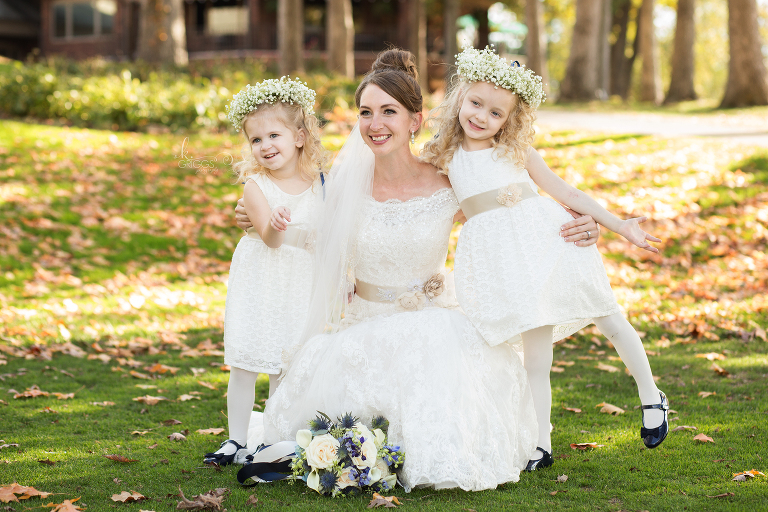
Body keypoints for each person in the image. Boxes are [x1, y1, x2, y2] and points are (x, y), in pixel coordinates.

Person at [420, 47, 669, 472]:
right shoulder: (444, 155)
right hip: (500, 258)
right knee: (535, 357)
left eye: (495, 113)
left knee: (606, 314)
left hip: (548, 240)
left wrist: (617, 224)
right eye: (476, 103)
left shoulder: (515, 151)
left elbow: (567, 193)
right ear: (461, 96)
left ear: (509, 120)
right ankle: (541, 442)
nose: (481, 117)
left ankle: (651, 394)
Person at [204, 77, 327, 466]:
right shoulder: (255, 186)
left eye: (274, 135)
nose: (265, 146)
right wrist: (275, 223)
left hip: (299, 282)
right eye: (256, 140)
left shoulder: (321, 184)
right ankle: (235, 440)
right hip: (261, 279)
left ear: (301, 137)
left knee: (283, 361)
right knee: (246, 361)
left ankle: (272, 439)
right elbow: (271, 241)